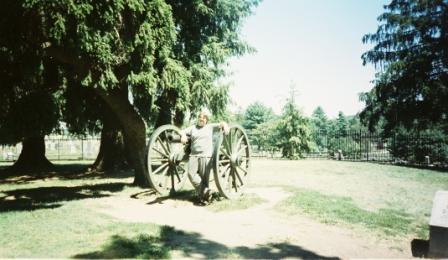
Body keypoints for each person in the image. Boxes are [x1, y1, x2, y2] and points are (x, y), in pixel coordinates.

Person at [180, 110, 229, 204]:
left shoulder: (210, 127)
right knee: (191, 174)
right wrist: (183, 135)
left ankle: (204, 198)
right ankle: (206, 191)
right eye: (200, 117)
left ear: (206, 120)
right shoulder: (193, 128)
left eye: (204, 118)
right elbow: (182, 131)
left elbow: (221, 124)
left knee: (204, 178)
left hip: (206, 156)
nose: (201, 119)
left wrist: (225, 125)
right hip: (193, 155)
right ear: (198, 118)